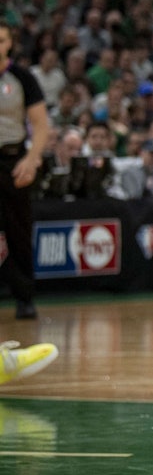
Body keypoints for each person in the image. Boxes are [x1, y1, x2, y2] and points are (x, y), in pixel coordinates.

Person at [0, 23, 51, 320]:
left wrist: (31, 159)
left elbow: (41, 124)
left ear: (9, 44)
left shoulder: (22, 77)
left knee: (19, 230)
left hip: (12, 160)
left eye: (2, 39)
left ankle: (24, 299)